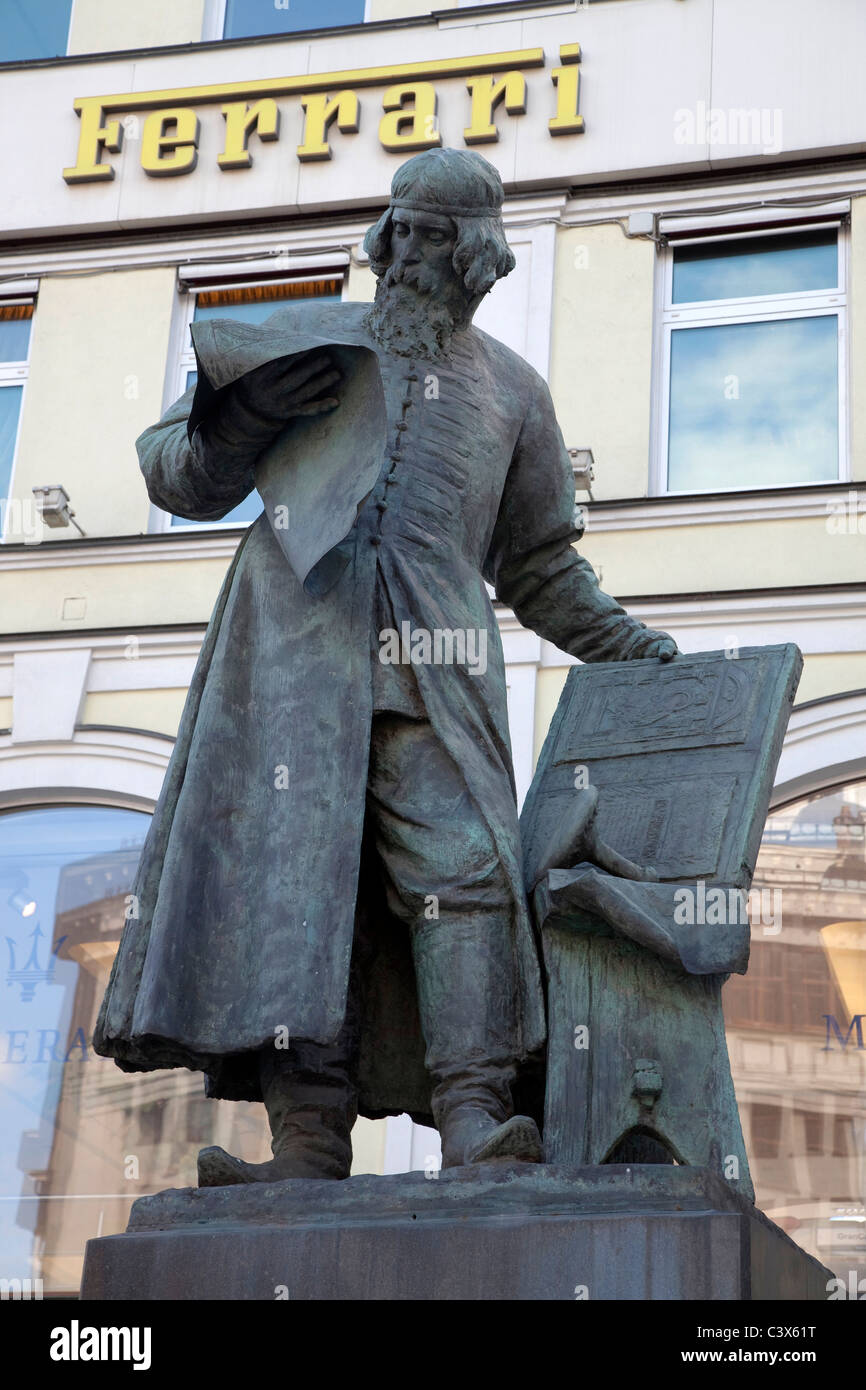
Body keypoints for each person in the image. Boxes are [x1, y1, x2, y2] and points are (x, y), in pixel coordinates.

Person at [94, 148, 677, 1184]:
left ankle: (473, 1115)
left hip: (434, 665)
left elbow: (540, 566)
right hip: (286, 661)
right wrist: (248, 416)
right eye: (395, 231)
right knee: (296, 886)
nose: (403, 253)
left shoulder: (513, 393)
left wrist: (630, 645)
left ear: (477, 255)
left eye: (430, 237)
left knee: (462, 871)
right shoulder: (305, 338)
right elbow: (178, 471)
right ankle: (305, 1141)